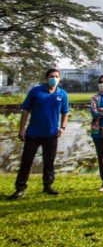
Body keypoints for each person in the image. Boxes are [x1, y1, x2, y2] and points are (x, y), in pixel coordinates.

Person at [8, 68, 69, 200]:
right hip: (33, 134)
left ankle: (47, 186)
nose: (54, 78)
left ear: (60, 78)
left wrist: (63, 127)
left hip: (52, 133)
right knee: (26, 161)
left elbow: (65, 112)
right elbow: (25, 110)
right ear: (46, 78)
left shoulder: (62, 94)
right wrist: (22, 129)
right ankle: (20, 188)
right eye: (52, 76)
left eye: (57, 76)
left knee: (49, 162)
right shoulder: (36, 91)